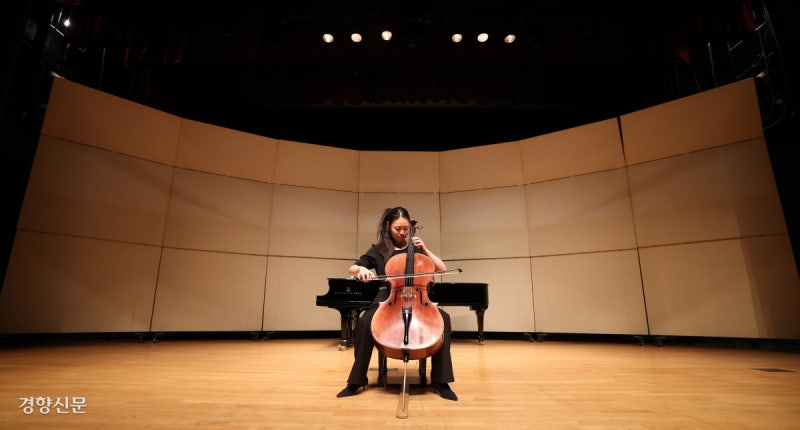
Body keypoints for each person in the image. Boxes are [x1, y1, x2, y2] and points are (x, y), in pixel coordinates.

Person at [336, 207, 458, 401]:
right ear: (388, 226)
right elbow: (353, 268)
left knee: (444, 319)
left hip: (419, 298)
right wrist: (360, 270)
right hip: (388, 298)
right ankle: (356, 380)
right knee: (365, 323)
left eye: (406, 229)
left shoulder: (417, 249)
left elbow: (442, 269)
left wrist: (425, 249)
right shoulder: (378, 250)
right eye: (397, 228)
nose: (402, 233)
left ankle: (441, 380)